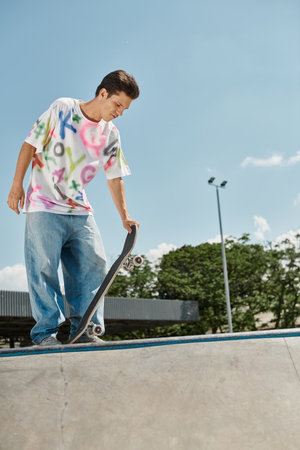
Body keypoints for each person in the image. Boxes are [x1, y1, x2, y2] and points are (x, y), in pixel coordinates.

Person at [7, 70, 140, 346]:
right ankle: (45, 334)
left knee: (94, 264)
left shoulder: (111, 135)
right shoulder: (63, 108)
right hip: (43, 205)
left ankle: (87, 331)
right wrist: (16, 185)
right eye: (118, 105)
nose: (120, 113)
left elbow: (115, 178)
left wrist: (125, 216)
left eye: (125, 109)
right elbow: (30, 145)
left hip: (79, 209)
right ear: (103, 93)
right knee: (43, 268)